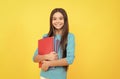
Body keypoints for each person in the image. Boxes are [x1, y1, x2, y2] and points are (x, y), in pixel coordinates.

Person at [33, 8, 75, 79]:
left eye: (60, 18)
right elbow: (34, 58)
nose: (57, 21)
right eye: (54, 19)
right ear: (51, 21)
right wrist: (47, 56)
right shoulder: (46, 36)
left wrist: (49, 63)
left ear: (65, 20)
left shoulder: (70, 37)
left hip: (59, 77)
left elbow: (70, 59)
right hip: (44, 76)